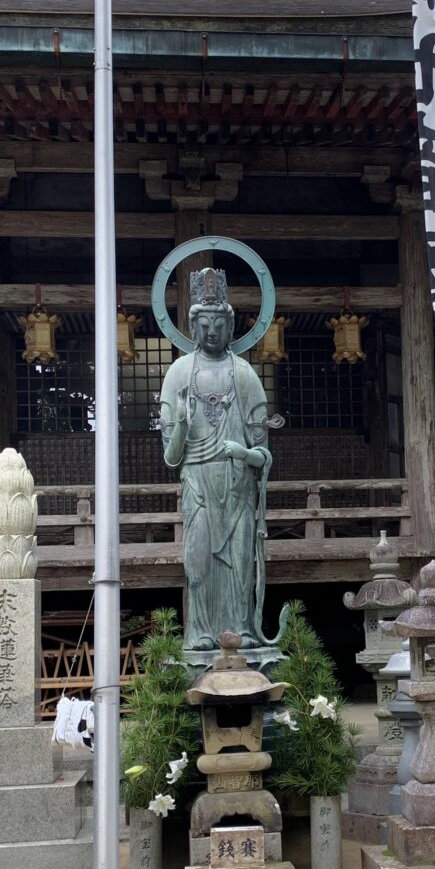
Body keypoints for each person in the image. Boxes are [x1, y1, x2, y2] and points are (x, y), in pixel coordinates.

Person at [159, 268, 272, 651]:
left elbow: (263, 454)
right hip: (198, 485)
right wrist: (181, 422)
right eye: (204, 325)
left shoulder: (244, 374)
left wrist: (243, 452)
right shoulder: (178, 374)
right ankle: (200, 632)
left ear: (231, 327)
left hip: (237, 489)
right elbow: (171, 458)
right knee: (198, 564)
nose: (211, 332)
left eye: (218, 325)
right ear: (193, 327)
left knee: (240, 566)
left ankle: (242, 630)